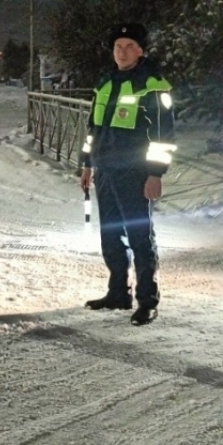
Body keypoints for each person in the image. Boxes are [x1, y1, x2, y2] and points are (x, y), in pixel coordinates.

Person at [79, 23, 176, 326]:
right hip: (106, 171)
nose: (122, 52)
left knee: (140, 237)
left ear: (141, 50)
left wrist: (155, 174)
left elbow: (163, 136)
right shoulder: (105, 83)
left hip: (135, 173)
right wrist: (87, 163)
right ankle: (118, 292)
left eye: (130, 46)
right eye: (118, 46)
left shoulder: (153, 85)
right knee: (110, 235)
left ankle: (148, 301)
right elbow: (93, 129)